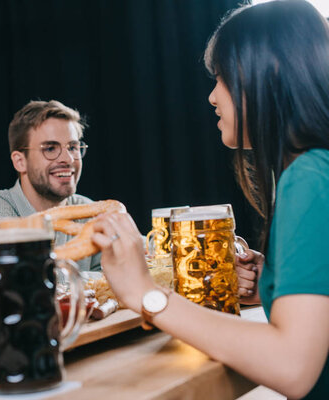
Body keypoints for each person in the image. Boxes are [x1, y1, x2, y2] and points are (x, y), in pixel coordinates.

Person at [91, 1, 329, 398]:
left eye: (220, 78)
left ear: (267, 74)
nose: (212, 97)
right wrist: (276, 279)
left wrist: (145, 293)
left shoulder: (308, 178)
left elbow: (292, 365)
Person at [0, 100, 100, 272]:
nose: (68, 159)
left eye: (73, 147)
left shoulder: (91, 213)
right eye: (50, 148)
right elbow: (22, 283)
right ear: (20, 162)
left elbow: (116, 284)